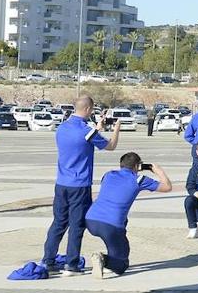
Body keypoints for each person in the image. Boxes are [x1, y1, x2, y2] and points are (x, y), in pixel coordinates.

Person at [41, 95, 120, 276]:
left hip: (61, 183)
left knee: (59, 223)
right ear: (87, 110)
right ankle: (72, 264)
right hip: (80, 185)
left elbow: (81, 140)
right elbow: (111, 146)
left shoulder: (62, 128)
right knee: (77, 225)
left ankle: (48, 260)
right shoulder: (87, 131)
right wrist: (116, 129)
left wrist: (96, 128)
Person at [85, 152, 173, 279]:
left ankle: (109, 257)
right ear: (137, 166)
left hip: (91, 220)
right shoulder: (139, 180)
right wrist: (158, 171)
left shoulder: (108, 175)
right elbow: (167, 187)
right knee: (122, 264)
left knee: (122, 224)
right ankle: (103, 259)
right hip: (110, 226)